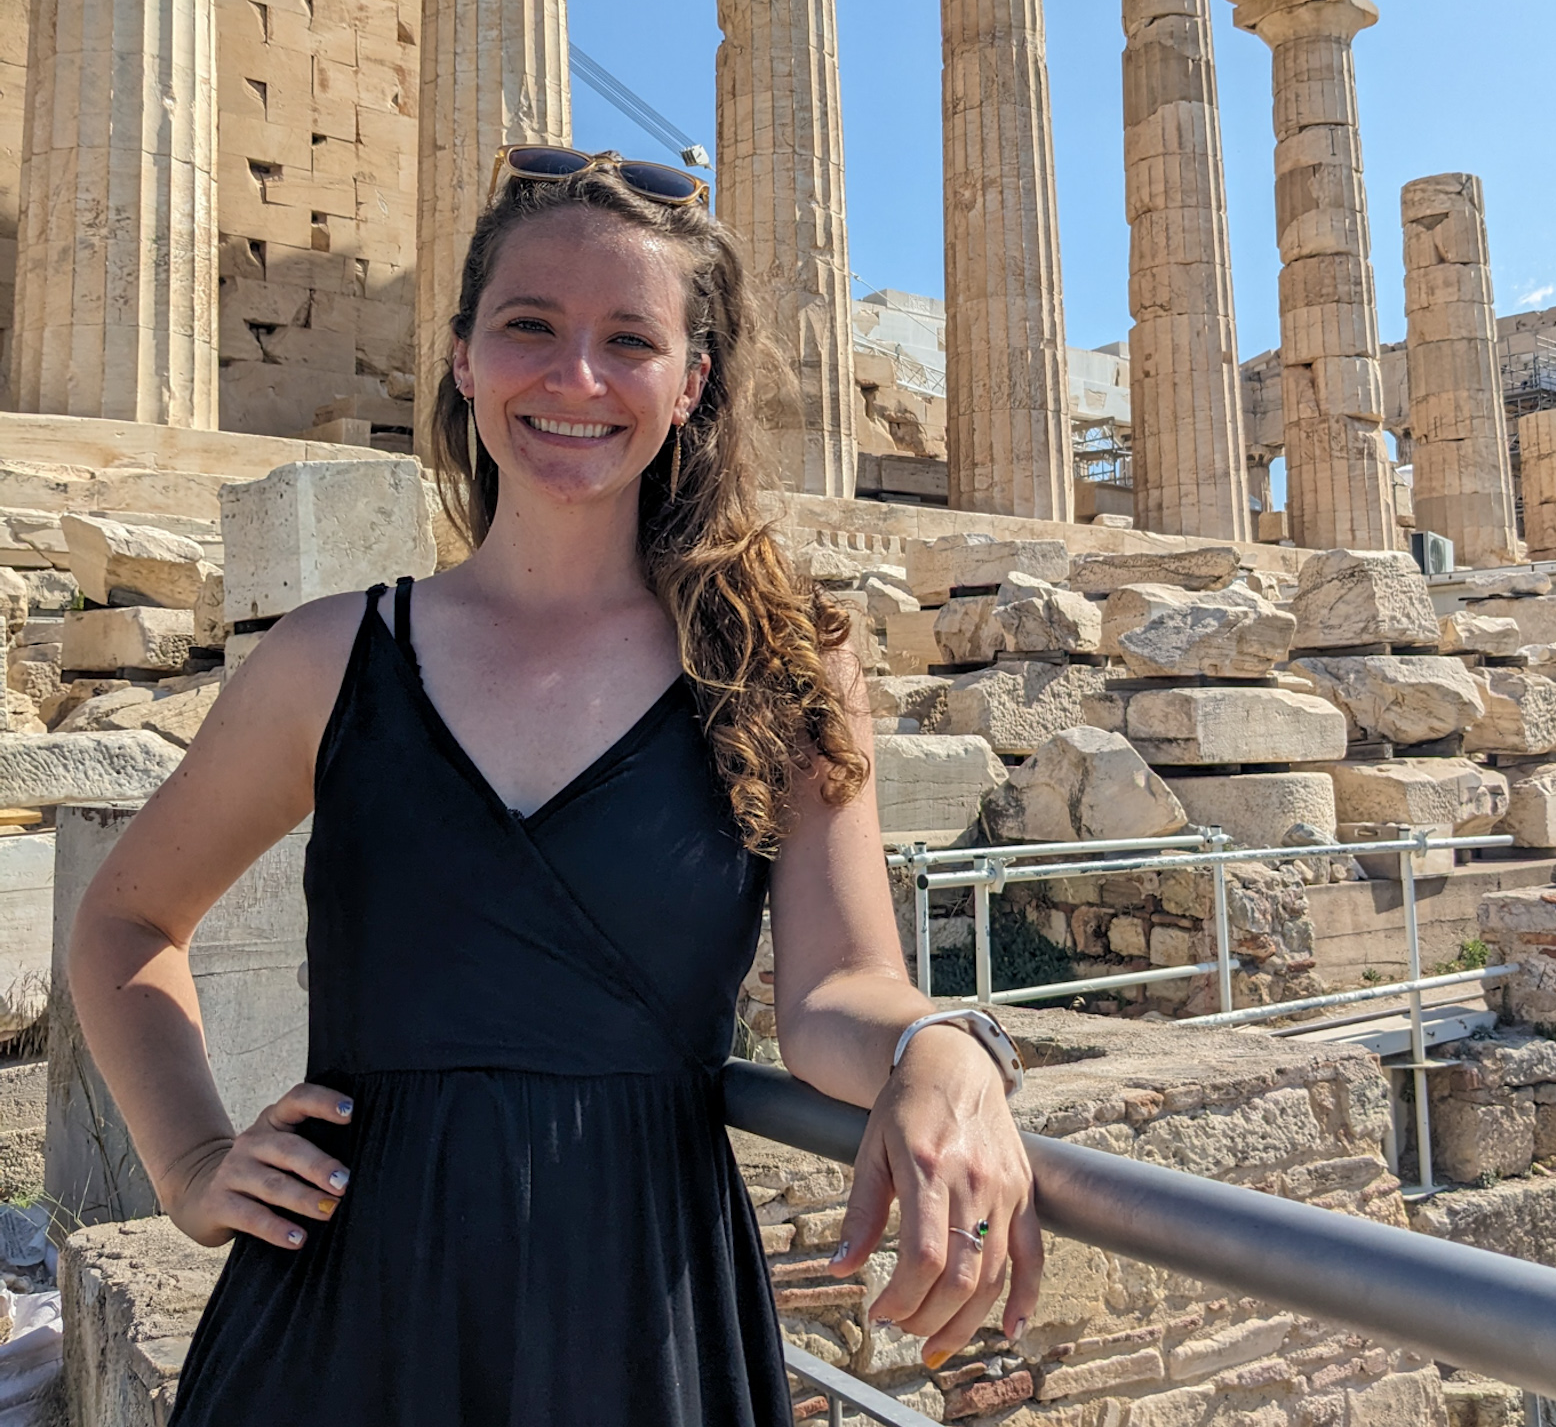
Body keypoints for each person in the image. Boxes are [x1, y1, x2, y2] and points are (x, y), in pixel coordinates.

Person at [70, 148, 1042, 1427]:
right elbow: (126, 920)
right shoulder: (328, 656)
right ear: (465, 358)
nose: (574, 377)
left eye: (627, 338)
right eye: (529, 326)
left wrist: (942, 1049)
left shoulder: (783, 662)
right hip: (340, 1318)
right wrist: (192, 1161)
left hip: (641, 1315)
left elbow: (832, 994)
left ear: (691, 382)